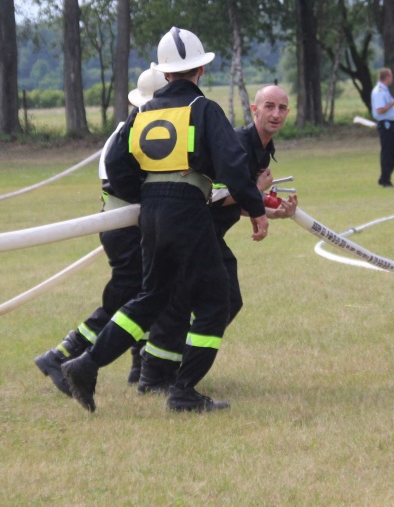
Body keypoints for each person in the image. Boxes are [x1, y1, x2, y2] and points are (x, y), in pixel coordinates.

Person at [62, 27, 269, 414]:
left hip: (151, 213)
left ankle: (85, 365)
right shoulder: (203, 109)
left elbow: (117, 166)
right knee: (216, 302)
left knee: (152, 297)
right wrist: (256, 209)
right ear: (200, 70)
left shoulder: (141, 112)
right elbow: (233, 165)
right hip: (188, 210)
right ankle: (183, 391)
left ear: (165, 72)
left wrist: (148, 196)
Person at [136, 85, 298, 394]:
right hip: (192, 230)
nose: (276, 114)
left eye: (281, 108)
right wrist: (255, 191)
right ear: (255, 109)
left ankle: (168, 368)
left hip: (206, 233)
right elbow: (214, 195)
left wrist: (272, 212)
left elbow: (236, 202)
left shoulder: (263, 150)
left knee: (220, 300)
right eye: (269, 106)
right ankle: (157, 374)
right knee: (204, 300)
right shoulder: (236, 143)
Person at [33, 69, 168, 396]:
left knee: (142, 295)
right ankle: (61, 355)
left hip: (125, 226)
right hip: (125, 228)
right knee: (128, 300)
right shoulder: (134, 133)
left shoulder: (134, 131)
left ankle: (139, 364)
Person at [371, 67, 394, 188]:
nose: (392, 78)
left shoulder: (385, 90)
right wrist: (393, 103)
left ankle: (384, 176)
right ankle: (385, 179)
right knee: (388, 152)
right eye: (391, 76)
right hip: (386, 125)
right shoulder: (379, 91)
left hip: (391, 124)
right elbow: (380, 110)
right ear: (387, 77)